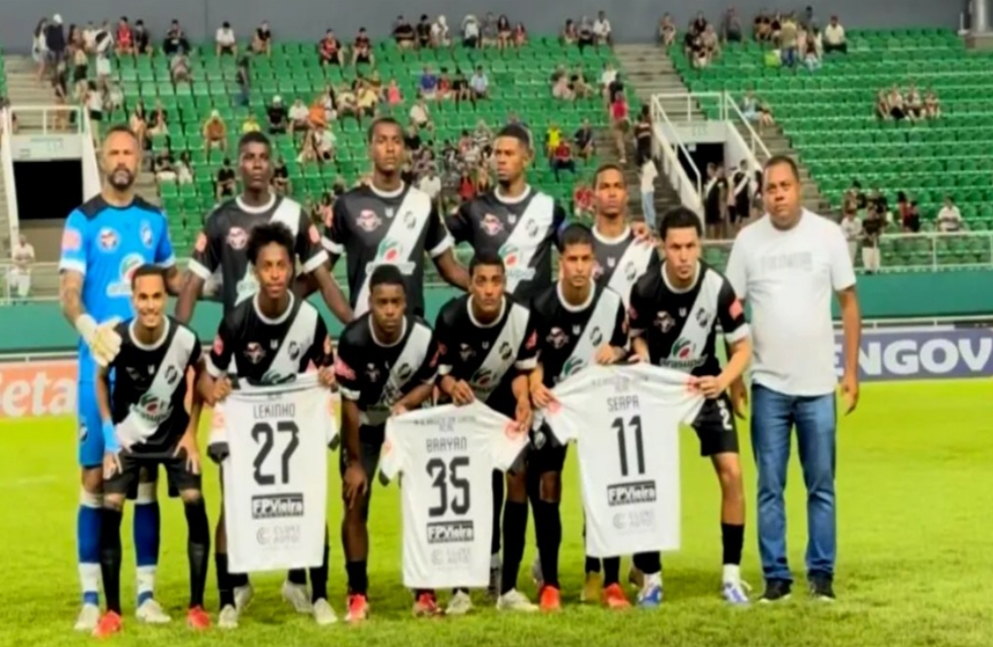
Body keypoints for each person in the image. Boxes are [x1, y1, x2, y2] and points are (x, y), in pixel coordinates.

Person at [58, 124, 180, 631]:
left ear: (140, 156)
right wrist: (90, 329)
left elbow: (172, 282)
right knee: (93, 478)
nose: (123, 158)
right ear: (102, 158)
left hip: (146, 372)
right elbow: (68, 291)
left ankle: (146, 594)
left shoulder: (155, 218)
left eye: (130, 150)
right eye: (114, 151)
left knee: (145, 476)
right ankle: (91, 597)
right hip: (98, 368)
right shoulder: (81, 219)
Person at [724, 155, 861, 602]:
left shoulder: (827, 235)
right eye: (771, 188)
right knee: (769, 487)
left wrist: (852, 371)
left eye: (785, 186)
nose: (778, 194)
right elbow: (732, 311)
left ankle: (821, 575)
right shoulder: (747, 242)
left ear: (798, 188)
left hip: (819, 387)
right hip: (768, 386)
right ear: (762, 193)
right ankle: (776, 579)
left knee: (821, 485)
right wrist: (735, 376)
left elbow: (849, 303)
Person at [199, 221, 337, 628]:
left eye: (282, 265)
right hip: (246, 428)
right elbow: (208, 377)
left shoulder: (310, 320)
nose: (275, 274)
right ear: (254, 271)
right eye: (267, 266)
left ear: (293, 268)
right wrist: (217, 389)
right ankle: (230, 595)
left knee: (307, 503)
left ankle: (316, 591)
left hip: (297, 429)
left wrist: (328, 378)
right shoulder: (237, 321)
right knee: (232, 506)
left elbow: (329, 372)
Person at [627, 206, 753, 605]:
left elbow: (743, 347)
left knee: (732, 474)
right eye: (676, 247)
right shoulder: (645, 289)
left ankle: (732, 576)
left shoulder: (718, 287)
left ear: (700, 246)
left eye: (691, 246)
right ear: (663, 247)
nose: (684, 256)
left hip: (705, 387)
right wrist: (643, 355)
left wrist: (724, 381)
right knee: (649, 484)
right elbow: (637, 337)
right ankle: (651, 577)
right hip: (660, 391)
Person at [91, 266, 210, 637]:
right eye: (143, 297)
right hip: (129, 440)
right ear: (133, 299)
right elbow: (98, 380)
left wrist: (192, 433)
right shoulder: (116, 339)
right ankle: (112, 612)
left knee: (195, 500)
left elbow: (202, 378)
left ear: (166, 298)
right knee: (110, 509)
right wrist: (110, 437)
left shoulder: (185, 339)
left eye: (157, 297)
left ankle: (196, 606)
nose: (150, 305)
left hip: (174, 437)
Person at [526, 223, 629, 611]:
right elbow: (530, 361)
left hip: (597, 409)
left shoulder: (612, 304)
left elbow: (627, 352)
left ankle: (610, 581)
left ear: (594, 262)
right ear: (561, 262)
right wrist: (535, 382)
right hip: (554, 407)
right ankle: (550, 583)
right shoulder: (541, 305)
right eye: (573, 260)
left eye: (587, 259)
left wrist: (617, 353)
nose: (580, 267)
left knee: (602, 491)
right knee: (548, 486)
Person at [334, 264, 440, 622]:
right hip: (362, 427)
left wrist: (407, 404)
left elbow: (429, 380)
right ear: (370, 303)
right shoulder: (352, 340)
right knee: (355, 503)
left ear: (406, 303)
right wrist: (353, 462)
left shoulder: (423, 337)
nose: (390, 310)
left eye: (396, 302)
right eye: (382, 303)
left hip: (406, 425)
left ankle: (424, 590)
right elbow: (348, 404)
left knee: (421, 504)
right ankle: (358, 593)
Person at [433, 251, 538, 610]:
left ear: (505, 284)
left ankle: (507, 588)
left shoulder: (521, 317)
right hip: (464, 413)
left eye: (496, 281)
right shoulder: (450, 317)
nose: (489, 289)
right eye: (482, 281)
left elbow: (522, 372)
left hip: (505, 409)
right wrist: (451, 387)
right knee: (467, 492)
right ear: (470, 282)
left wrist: (524, 399)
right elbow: (440, 373)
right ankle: (460, 590)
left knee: (518, 476)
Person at [578, 163, 659, 601]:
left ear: (626, 195)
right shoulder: (579, 244)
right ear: (592, 195)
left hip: (629, 374)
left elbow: (649, 311)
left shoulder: (643, 246)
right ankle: (594, 565)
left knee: (633, 471)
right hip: (587, 374)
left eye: (616, 187)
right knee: (593, 473)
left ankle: (639, 562)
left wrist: (634, 353)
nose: (610, 193)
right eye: (603, 187)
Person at [176, 130, 351, 324]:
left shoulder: (294, 214)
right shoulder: (221, 219)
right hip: (238, 337)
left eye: (264, 158)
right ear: (239, 166)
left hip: (286, 335)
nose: (257, 164)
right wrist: (176, 341)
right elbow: (191, 286)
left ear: (271, 167)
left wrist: (355, 325)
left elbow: (324, 281)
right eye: (250, 158)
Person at [319, 117, 468, 318]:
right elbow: (320, 272)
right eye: (381, 141)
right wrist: (349, 319)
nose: (390, 148)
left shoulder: (423, 204)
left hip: (412, 331)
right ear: (370, 149)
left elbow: (450, 269)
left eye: (396, 141)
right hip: (366, 331)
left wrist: (491, 292)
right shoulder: (348, 205)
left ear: (405, 151)